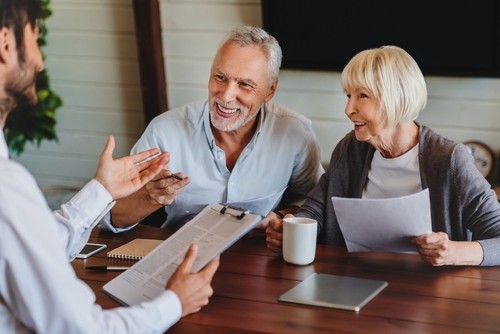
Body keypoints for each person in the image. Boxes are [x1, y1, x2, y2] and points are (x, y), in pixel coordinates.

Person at [0, 1, 219, 333]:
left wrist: (102, 191)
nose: (40, 62)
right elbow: (82, 329)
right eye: (34, 37)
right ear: (5, 44)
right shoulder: (7, 187)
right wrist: (174, 302)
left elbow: (32, 251)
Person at [266, 45, 500, 267]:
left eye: (362, 96)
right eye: (348, 96)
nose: (349, 109)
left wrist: (454, 252)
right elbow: (317, 209)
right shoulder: (350, 149)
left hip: (432, 290)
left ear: (395, 98)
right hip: (353, 280)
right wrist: (293, 229)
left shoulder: (449, 160)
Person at [100, 25, 323, 231]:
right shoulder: (164, 132)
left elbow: (314, 203)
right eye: (220, 77)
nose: (226, 96)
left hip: (262, 259)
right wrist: (149, 197)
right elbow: (112, 218)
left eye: (245, 84)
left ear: (270, 91)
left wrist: (281, 218)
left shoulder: (296, 133)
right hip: (184, 257)